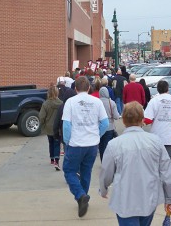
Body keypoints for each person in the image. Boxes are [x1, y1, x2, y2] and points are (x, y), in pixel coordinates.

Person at [99, 101, 171, 226]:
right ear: (142, 120)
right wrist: (170, 198)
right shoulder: (155, 142)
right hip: (149, 199)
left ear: (123, 120)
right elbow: (166, 172)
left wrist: (103, 189)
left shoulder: (114, 144)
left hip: (125, 201)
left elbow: (106, 172)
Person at [62, 76, 109, 217]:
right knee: (86, 171)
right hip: (92, 144)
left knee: (69, 171)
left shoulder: (70, 102)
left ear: (75, 88)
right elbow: (105, 123)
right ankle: (83, 197)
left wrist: (67, 141)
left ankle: (80, 195)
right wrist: (96, 135)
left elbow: (66, 125)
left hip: (76, 143)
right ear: (89, 88)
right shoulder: (97, 102)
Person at [144, 80, 171, 163]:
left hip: (157, 136)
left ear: (158, 89)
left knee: (157, 161)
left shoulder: (154, 101)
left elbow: (147, 120)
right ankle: (168, 175)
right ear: (168, 89)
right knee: (169, 161)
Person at [39, 84, 63, 170]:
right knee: (57, 144)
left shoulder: (45, 104)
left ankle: (52, 158)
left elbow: (41, 116)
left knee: (51, 143)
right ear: (57, 93)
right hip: (58, 128)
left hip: (48, 127)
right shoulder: (61, 103)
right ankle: (57, 161)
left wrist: (42, 124)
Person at [98, 87, 120, 161]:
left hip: (99, 126)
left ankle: (103, 160)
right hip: (110, 127)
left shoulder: (97, 102)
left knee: (101, 146)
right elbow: (116, 116)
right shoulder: (111, 102)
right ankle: (108, 161)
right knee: (108, 145)